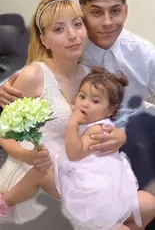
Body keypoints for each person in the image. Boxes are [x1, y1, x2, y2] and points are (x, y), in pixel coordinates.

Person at [1, 68, 155, 230]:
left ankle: (6, 201)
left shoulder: (97, 130)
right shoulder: (95, 123)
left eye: (95, 101)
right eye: (82, 97)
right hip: (95, 182)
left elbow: (74, 153)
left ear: (110, 110)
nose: (85, 104)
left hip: (87, 188)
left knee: (39, 173)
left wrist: (72, 124)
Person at [0, 0, 90, 223]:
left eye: (77, 24)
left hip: (73, 169)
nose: (73, 35)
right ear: (44, 40)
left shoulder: (90, 76)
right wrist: (27, 155)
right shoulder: (33, 75)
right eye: (59, 29)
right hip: (32, 173)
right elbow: (3, 132)